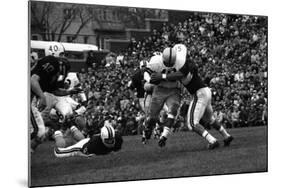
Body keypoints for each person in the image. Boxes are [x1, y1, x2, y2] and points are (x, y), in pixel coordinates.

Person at [150, 45, 233, 149]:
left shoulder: (186, 65)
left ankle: (212, 141)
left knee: (192, 124)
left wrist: (162, 76)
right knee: (209, 119)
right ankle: (226, 136)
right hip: (205, 91)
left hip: (199, 93)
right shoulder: (187, 63)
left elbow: (178, 75)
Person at [30, 55, 81, 152]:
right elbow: (33, 80)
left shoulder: (49, 78)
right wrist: (42, 96)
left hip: (31, 99)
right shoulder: (53, 62)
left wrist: (70, 91)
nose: (58, 76)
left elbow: (55, 91)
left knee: (40, 133)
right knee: (37, 132)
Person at [144, 47, 182, 147]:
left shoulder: (180, 62)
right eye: (167, 63)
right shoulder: (156, 61)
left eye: (171, 63)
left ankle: (163, 136)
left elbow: (183, 74)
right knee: (153, 117)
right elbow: (146, 72)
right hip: (159, 89)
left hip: (174, 89)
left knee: (173, 110)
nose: (169, 66)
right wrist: (150, 80)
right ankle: (148, 127)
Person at [54, 124, 123, 157]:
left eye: (111, 140)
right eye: (108, 140)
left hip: (90, 140)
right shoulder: (94, 144)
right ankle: (57, 133)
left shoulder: (118, 139)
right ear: (102, 138)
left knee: (83, 139)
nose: (110, 142)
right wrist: (86, 156)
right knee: (59, 153)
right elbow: (83, 152)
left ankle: (74, 129)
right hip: (84, 146)